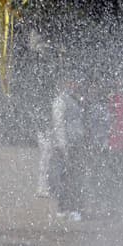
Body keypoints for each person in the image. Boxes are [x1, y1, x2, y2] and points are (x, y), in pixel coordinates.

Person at [50, 75, 85, 220]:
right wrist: (63, 145)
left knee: (73, 177)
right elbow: (59, 124)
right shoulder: (61, 101)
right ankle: (65, 208)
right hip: (66, 146)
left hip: (75, 144)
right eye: (71, 82)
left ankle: (70, 207)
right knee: (66, 177)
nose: (74, 85)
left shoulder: (75, 100)